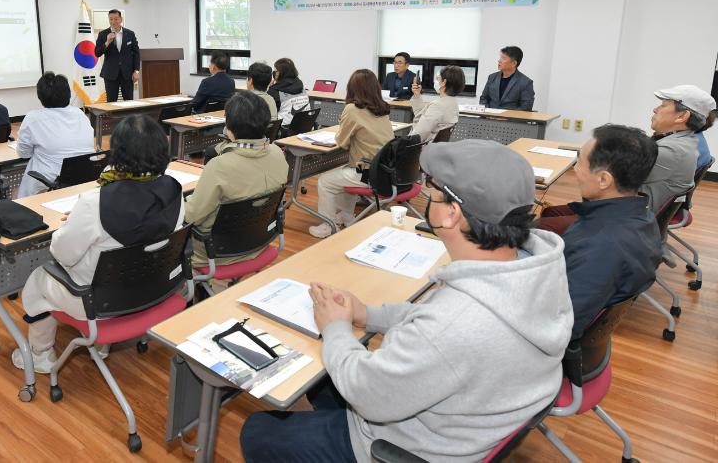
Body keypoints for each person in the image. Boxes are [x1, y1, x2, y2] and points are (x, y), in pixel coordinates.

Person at [241, 140, 573, 463]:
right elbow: (432, 318)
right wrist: (366, 314)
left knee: (257, 430)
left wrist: (337, 328)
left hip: (406, 446)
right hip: (469, 419)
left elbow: (371, 393)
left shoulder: (453, 325)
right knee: (324, 380)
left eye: (434, 193)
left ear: (451, 215)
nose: (428, 197)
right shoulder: (531, 270)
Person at [13, 114, 185, 373]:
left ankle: (39, 354)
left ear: (116, 153)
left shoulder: (95, 202)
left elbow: (62, 254)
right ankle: (101, 347)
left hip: (98, 301)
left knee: (37, 279)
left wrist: (76, 223)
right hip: (153, 288)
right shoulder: (174, 189)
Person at [547, 125, 662, 340]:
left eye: (579, 162)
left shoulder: (599, 247)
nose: (575, 170)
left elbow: (558, 327)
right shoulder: (642, 217)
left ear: (603, 180)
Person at [184, 91, 288, 269]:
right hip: (261, 239)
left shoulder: (219, 166)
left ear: (228, 128)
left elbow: (193, 216)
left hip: (216, 252)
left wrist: (180, 202)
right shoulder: (278, 154)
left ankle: (201, 290)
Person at [310, 70, 394, 239]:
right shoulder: (382, 109)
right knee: (347, 169)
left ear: (352, 88)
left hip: (368, 173)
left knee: (325, 181)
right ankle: (347, 215)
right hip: (385, 171)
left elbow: (341, 142)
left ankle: (329, 225)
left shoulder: (352, 109)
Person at [15, 72, 94, 198]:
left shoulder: (33, 118)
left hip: (51, 183)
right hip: (85, 179)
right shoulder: (80, 114)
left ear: (40, 97)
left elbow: (23, 153)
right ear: (68, 94)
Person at [641, 85, 716, 214]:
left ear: (681, 116)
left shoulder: (672, 150)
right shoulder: (683, 140)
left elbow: (619, 178)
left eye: (663, 106)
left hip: (639, 211)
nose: (655, 109)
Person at [94, 9, 140, 102]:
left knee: (129, 102)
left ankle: (129, 117)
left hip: (127, 74)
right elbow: (97, 53)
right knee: (111, 102)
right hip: (110, 74)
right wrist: (107, 42)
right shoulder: (103, 34)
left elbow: (136, 53)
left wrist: (136, 71)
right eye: (111, 19)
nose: (113, 22)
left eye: (116, 19)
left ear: (121, 19)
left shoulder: (130, 34)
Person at [409, 65, 464, 142]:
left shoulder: (437, 106)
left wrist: (403, 145)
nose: (436, 81)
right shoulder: (453, 103)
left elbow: (418, 135)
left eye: (438, 78)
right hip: (436, 147)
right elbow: (421, 116)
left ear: (444, 82)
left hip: (422, 148)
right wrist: (417, 95)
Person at [479, 46, 535, 111]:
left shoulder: (525, 82)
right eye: (500, 57)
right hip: (489, 118)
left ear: (514, 63)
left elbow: (526, 107)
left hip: (510, 120)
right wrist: (488, 112)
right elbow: (483, 99)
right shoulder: (492, 77)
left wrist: (506, 116)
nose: (499, 60)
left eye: (503, 58)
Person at [267, 57, 310, 129]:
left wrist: (270, 89)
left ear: (282, 73)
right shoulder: (300, 84)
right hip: (303, 126)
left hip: (283, 130)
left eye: (276, 71)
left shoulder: (275, 91)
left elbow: (268, 113)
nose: (274, 73)